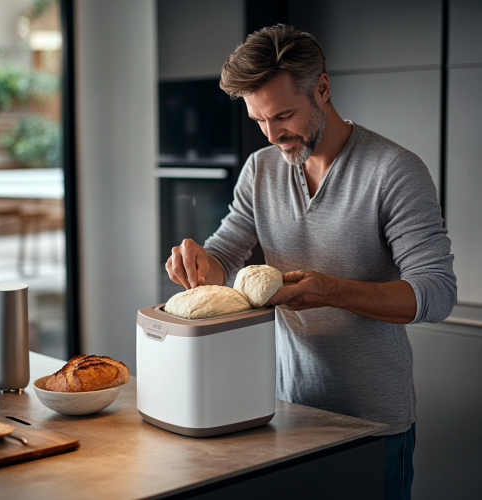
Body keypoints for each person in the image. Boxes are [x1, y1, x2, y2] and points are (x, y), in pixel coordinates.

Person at [165, 25, 456, 500]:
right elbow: (225, 254)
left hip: (374, 426)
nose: (273, 134)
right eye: (259, 120)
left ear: (321, 88)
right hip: (285, 414)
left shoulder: (394, 171)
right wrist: (200, 262)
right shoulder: (260, 170)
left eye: (283, 115)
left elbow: (438, 292)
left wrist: (330, 291)